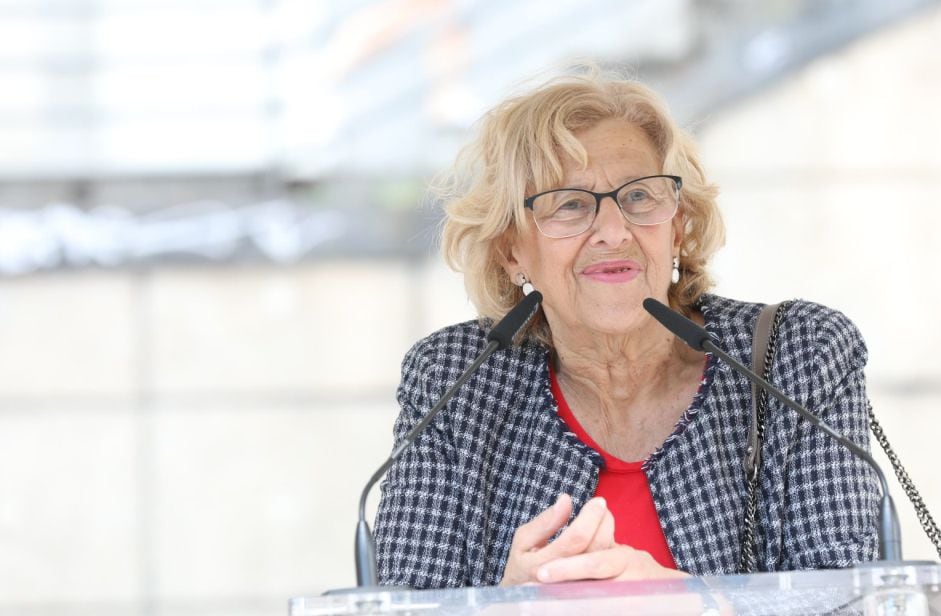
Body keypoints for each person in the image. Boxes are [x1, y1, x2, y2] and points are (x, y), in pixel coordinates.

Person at [374, 70, 878, 589]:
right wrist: (505, 607)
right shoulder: (454, 382)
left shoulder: (795, 356)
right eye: (570, 204)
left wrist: (691, 602)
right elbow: (405, 603)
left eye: (639, 197)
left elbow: (849, 597)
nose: (614, 232)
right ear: (511, 251)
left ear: (678, 226)